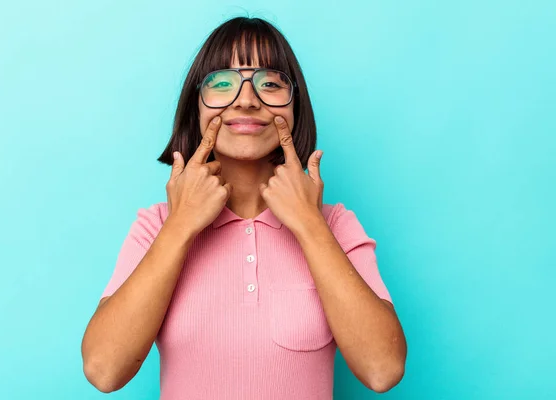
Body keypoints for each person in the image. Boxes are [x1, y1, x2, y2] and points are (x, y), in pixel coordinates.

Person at [81, 16, 406, 399]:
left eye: (269, 83)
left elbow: (382, 370)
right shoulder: (156, 225)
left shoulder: (335, 223)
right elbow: (104, 370)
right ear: (195, 108)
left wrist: (308, 224)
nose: (247, 100)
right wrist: (181, 225)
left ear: (294, 107)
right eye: (222, 83)